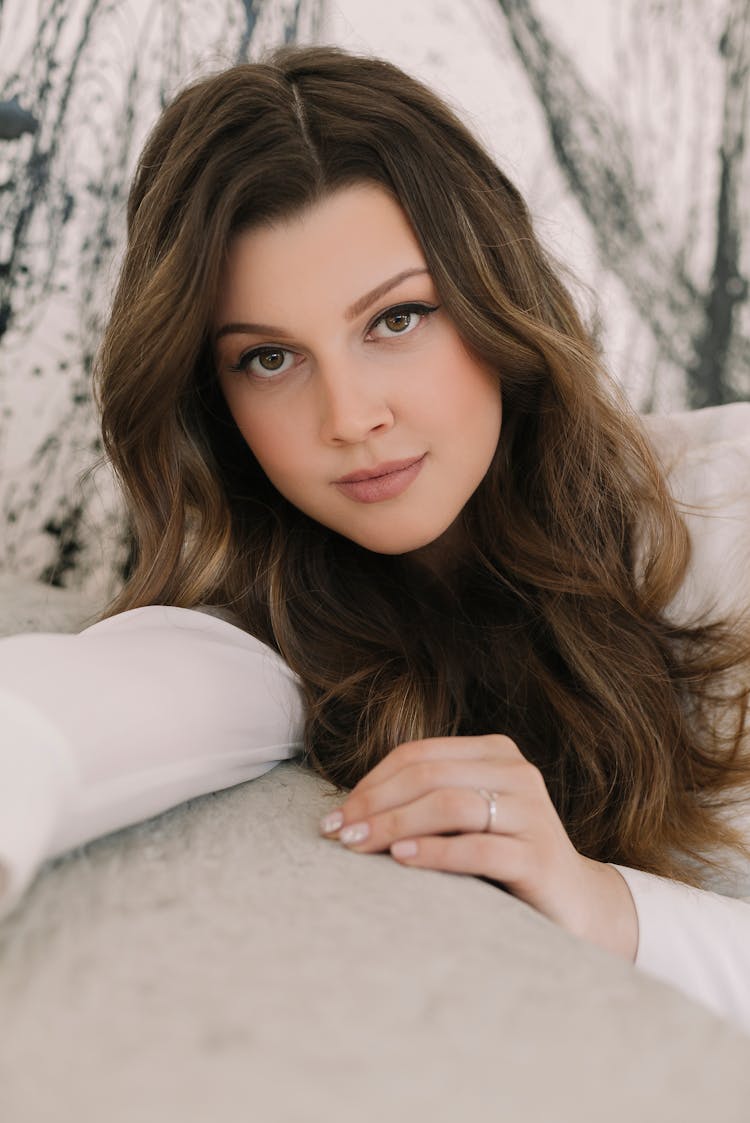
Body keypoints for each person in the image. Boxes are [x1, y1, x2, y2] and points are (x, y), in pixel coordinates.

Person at [1, 45, 750, 1032]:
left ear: (496, 300)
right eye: (268, 357)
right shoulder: (263, 622)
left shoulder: (725, 508)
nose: (349, 416)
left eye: (397, 318)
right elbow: (69, 717)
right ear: (210, 399)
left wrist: (612, 908)